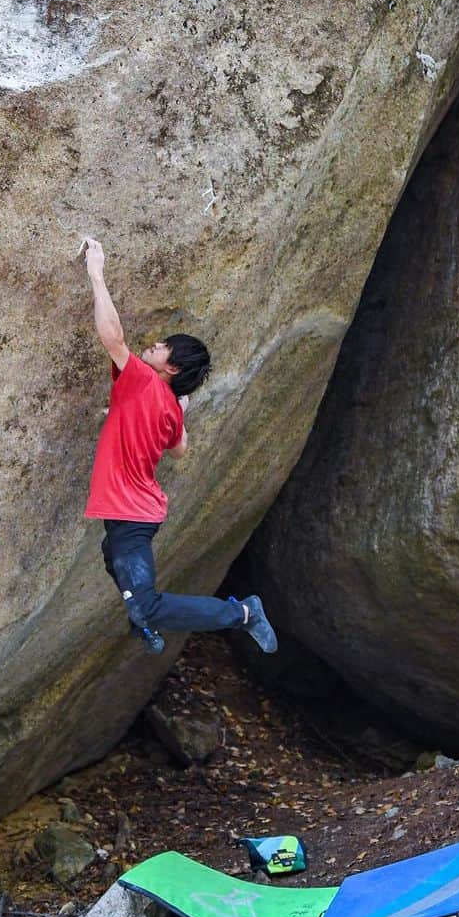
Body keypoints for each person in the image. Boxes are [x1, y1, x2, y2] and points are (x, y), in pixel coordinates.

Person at [81, 236, 278, 657]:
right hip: (137, 513)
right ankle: (143, 622)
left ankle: (242, 613)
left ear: (171, 367)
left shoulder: (145, 381)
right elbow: (180, 449)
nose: (152, 345)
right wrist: (181, 408)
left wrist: (96, 273)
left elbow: (113, 339)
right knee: (111, 555)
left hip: (131, 515)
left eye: (161, 346)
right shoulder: (168, 406)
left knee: (146, 599)